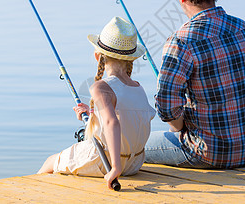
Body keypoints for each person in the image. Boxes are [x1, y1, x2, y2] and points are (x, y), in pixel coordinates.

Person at [144, 0, 245, 169]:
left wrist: (180, 128)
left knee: (129, 145)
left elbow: (166, 108)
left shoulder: (181, 41)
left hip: (208, 154)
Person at [38, 16, 156, 189]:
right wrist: (93, 114)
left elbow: (111, 122)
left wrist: (115, 168)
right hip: (134, 163)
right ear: (131, 59)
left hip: (105, 161)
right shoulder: (138, 88)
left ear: (97, 56)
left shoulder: (101, 87)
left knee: (50, 162)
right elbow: (126, 119)